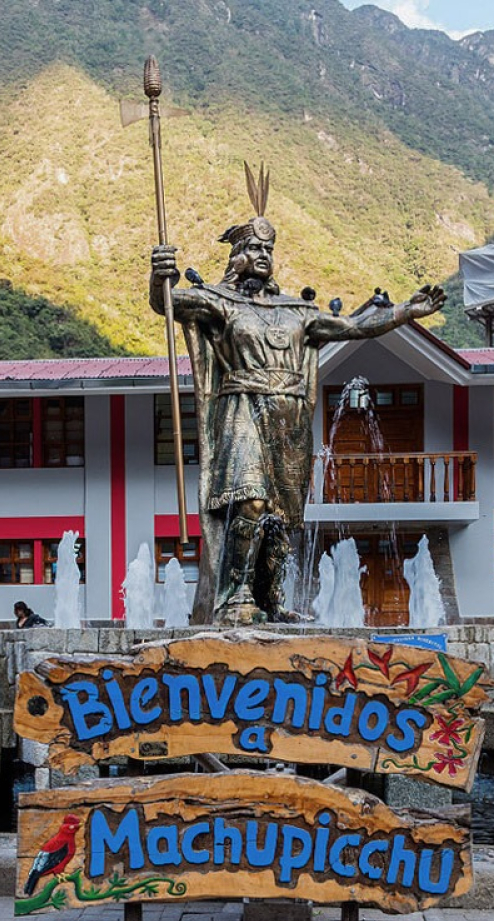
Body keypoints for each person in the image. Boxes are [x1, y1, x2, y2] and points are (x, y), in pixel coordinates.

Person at [150, 178, 445, 624]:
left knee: (281, 516)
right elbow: (168, 304)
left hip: (289, 417)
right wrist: (159, 276)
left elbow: (354, 327)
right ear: (236, 256)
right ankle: (235, 596)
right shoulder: (219, 302)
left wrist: (406, 311)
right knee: (249, 501)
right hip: (243, 407)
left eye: (268, 249)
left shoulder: (297, 312)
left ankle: (270, 600)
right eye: (253, 247)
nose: (262, 255)